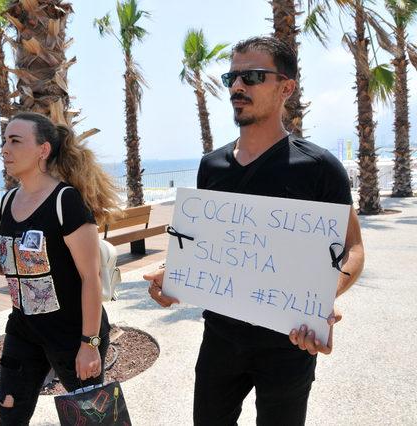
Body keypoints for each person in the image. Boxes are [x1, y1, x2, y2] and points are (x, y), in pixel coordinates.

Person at [144, 37, 365, 425]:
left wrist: (320, 301)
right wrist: (171, 276)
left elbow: (354, 249)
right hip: (220, 339)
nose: (236, 87)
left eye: (252, 76)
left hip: (290, 342)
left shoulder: (319, 167)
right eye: (232, 77)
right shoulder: (211, 166)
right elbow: (206, 246)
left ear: (286, 87)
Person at [0, 111, 120, 425]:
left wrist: (89, 344)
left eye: (15, 141)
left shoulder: (66, 201)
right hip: (23, 331)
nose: (5, 149)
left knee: (94, 420)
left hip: (72, 335)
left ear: (43, 150)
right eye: (4, 141)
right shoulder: (8, 200)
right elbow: (28, 258)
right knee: (10, 413)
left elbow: (90, 277)